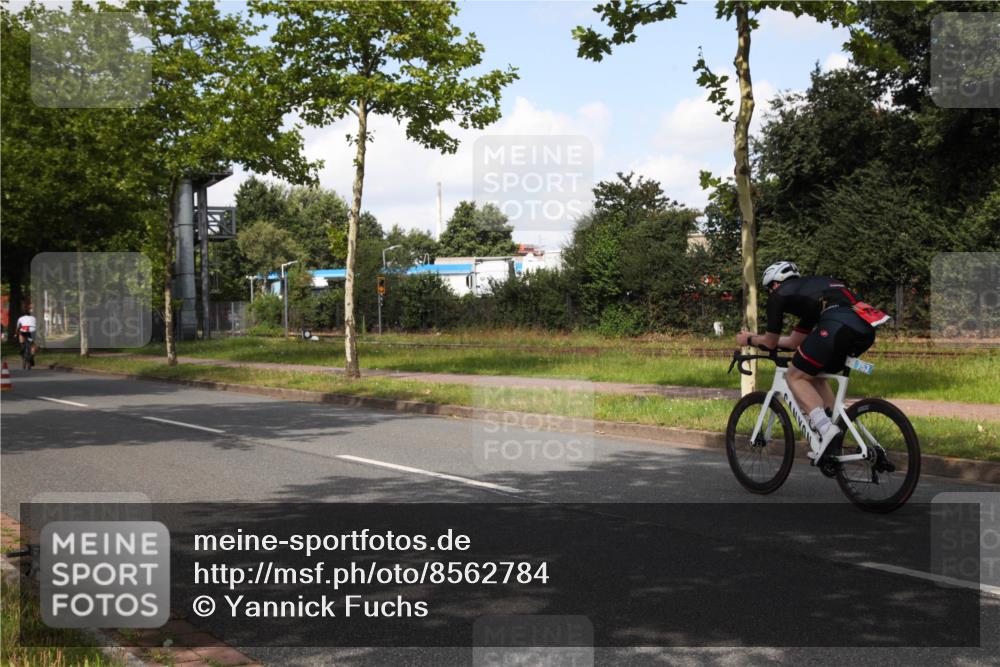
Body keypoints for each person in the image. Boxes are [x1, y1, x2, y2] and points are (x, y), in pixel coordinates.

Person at [735, 261, 889, 459]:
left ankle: (826, 429)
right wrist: (762, 340)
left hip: (837, 325)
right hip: (865, 329)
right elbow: (793, 342)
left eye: (769, 289)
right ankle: (835, 432)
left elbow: (770, 342)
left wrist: (749, 339)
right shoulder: (812, 294)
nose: (771, 293)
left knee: (794, 376)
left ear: (775, 284)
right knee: (814, 374)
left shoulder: (778, 295)